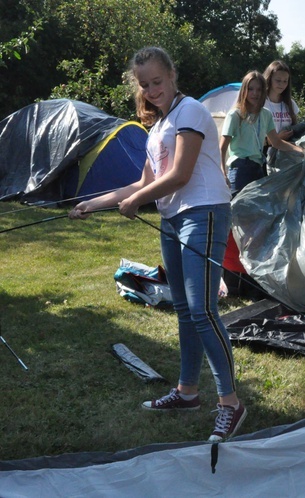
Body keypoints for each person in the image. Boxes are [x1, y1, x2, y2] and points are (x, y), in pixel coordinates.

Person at [68, 46, 246, 443]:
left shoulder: (192, 113)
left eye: (157, 82)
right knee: (184, 309)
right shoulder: (156, 127)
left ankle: (231, 402)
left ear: (172, 74)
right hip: (172, 218)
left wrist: (135, 202)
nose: (151, 90)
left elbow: (181, 174)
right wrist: (92, 203)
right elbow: (141, 184)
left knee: (202, 309)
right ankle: (187, 393)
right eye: (144, 85)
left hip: (204, 211)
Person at [220, 70, 303, 195]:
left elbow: (276, 142)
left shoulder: (266, 114)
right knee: (237, 210)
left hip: (258, 167)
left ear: (264, 91)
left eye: (259, 90)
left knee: (258, 211)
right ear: (244, 91)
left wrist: (300, 150)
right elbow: (222, 148)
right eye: (251, 89)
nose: (255, 93)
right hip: (240, 167)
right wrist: (223, 173)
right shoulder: (235, 115)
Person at [263, 60, 299, 141]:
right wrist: (277, 138)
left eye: (285, 81)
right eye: (278, 80)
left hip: (286, 149)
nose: (282, 84)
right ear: (269, 79)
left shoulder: (291, 104)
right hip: (264, 151)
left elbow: (295, 128)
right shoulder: (260, 103)